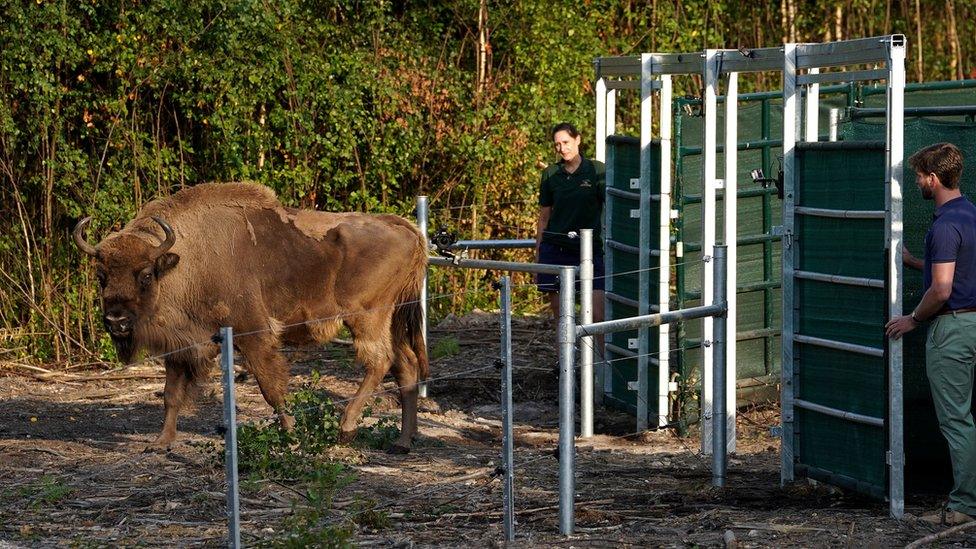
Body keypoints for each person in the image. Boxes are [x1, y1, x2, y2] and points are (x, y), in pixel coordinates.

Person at [885, 142, 976, 526]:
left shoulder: (943, 225)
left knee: (957, 419)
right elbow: (957, 269)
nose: (918, 182)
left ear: (933, 179)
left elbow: (941, 290)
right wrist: (913, 262)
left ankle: (966, 504)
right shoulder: (970, 214)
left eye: (920, 176)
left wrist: (913, 319)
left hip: (952, 329)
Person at [534, 122, 606, 350]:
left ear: (578, 140)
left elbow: (611, 208)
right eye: (557, 144)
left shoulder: (596, 170)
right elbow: (544, 217)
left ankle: (601, 371)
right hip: (555, 250)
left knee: (597, 313)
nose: (562, 148)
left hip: (590, 250)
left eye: (565, 142)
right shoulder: (551, 174)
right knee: (561, 316)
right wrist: (539, 255)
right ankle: (565, 368)